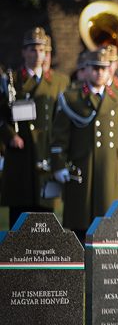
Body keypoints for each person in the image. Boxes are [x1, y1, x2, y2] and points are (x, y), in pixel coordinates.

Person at [50, 46, 118, 241]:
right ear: (86, 69)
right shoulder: (71, 98)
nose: (99, 72)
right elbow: (59, 136)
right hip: (81, 168)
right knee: (80, 223)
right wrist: (58, 165)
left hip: (110, 170)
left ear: (109, 70)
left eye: (103, 68)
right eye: (95, 68)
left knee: (109, 224)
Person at [0, 27, 71, 228]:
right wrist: (9, 136)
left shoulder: (59, 81)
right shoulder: (12, 79)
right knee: (20, 212)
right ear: (24, 52)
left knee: (45, 211)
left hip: (46, 152)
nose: (37, 54)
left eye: (41, 49)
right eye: (32, 49)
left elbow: (63, 118)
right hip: (20, 153)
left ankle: (43, 257)